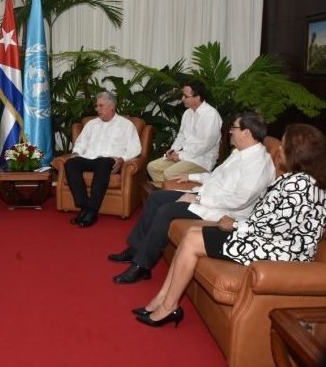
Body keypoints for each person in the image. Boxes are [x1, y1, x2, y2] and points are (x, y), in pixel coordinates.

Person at [134, 123, 326, 327]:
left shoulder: (299, 185)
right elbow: (272, 222)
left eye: (284, 144)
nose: (279, 149)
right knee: (192, 234)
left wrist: (236, 225)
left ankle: (168, 305)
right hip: (267, 240)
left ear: (297, 152)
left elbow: (275, 228)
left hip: (277, 251)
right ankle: (163, 300)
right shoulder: (306, 181)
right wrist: (239, 224)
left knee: (192, 240)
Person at [108, 111, 275, 284]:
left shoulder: (258, 163)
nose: (231, 131)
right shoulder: (239, 152)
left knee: (167, 211)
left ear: (246, 132)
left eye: (234, 128)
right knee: (156, 198)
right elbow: (217, 177)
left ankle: (142, 266)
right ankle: (135, 249)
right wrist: (192, 178)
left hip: (224, 211)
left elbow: (240, 201)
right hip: (207, 197)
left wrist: (198, 200)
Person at [63, 91, 142, 228]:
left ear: (112, 106)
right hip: (89, 157)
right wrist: (76, 152)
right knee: (70, 164)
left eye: (101, 106)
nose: (97, 109)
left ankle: (91, 211)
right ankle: (85, 207)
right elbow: (81, 142)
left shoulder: (126, 125)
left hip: (108, 159)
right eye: (96, 106)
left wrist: (122, 159)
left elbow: (135, 148)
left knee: (103, 163)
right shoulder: (91, 124)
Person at [147, 81, 222, 185]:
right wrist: (173, 150)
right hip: (185, 156)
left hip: (201, 160)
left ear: (198, 97)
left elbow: (204, 146)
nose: (182, 98)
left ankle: (171, 194)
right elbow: (181, 135)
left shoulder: (211, 115)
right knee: (153, 167)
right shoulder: (188, 113)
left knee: (169, 173)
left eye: (186, 96)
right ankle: (167, 193)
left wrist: (181, 156)